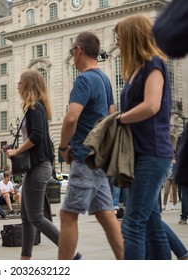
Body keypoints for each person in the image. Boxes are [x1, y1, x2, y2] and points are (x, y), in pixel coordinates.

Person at [58, 31, 123, 260]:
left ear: (78, 50)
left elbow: (71, 118)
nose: (73, 58)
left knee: (67, 215)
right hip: (99, 158)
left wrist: (63, 147)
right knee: (105, 213)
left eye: (72, 52)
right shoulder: (105, 79)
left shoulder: (84, 79)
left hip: (84, 157)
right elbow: (112, 115)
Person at [115, 15, 175, 259]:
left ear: (132, 36)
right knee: (150, 220)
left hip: (152, 151)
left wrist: (118, 119)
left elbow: (151, 105)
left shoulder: (153, 64)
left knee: (132, 222)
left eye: (119, 35)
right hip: (140, 152)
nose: (116, 41)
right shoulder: (135, 70)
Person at [5, 69, 60, 260]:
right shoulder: (33, 108)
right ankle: (25, 259)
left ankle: (71, 251)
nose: (17, 86)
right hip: (35, 167)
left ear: (27, 85)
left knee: (36, 216)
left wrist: (16, 151)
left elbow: (36, 136)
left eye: (20, 82)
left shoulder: (36, 107)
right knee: (26, 217)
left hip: (39, 166)